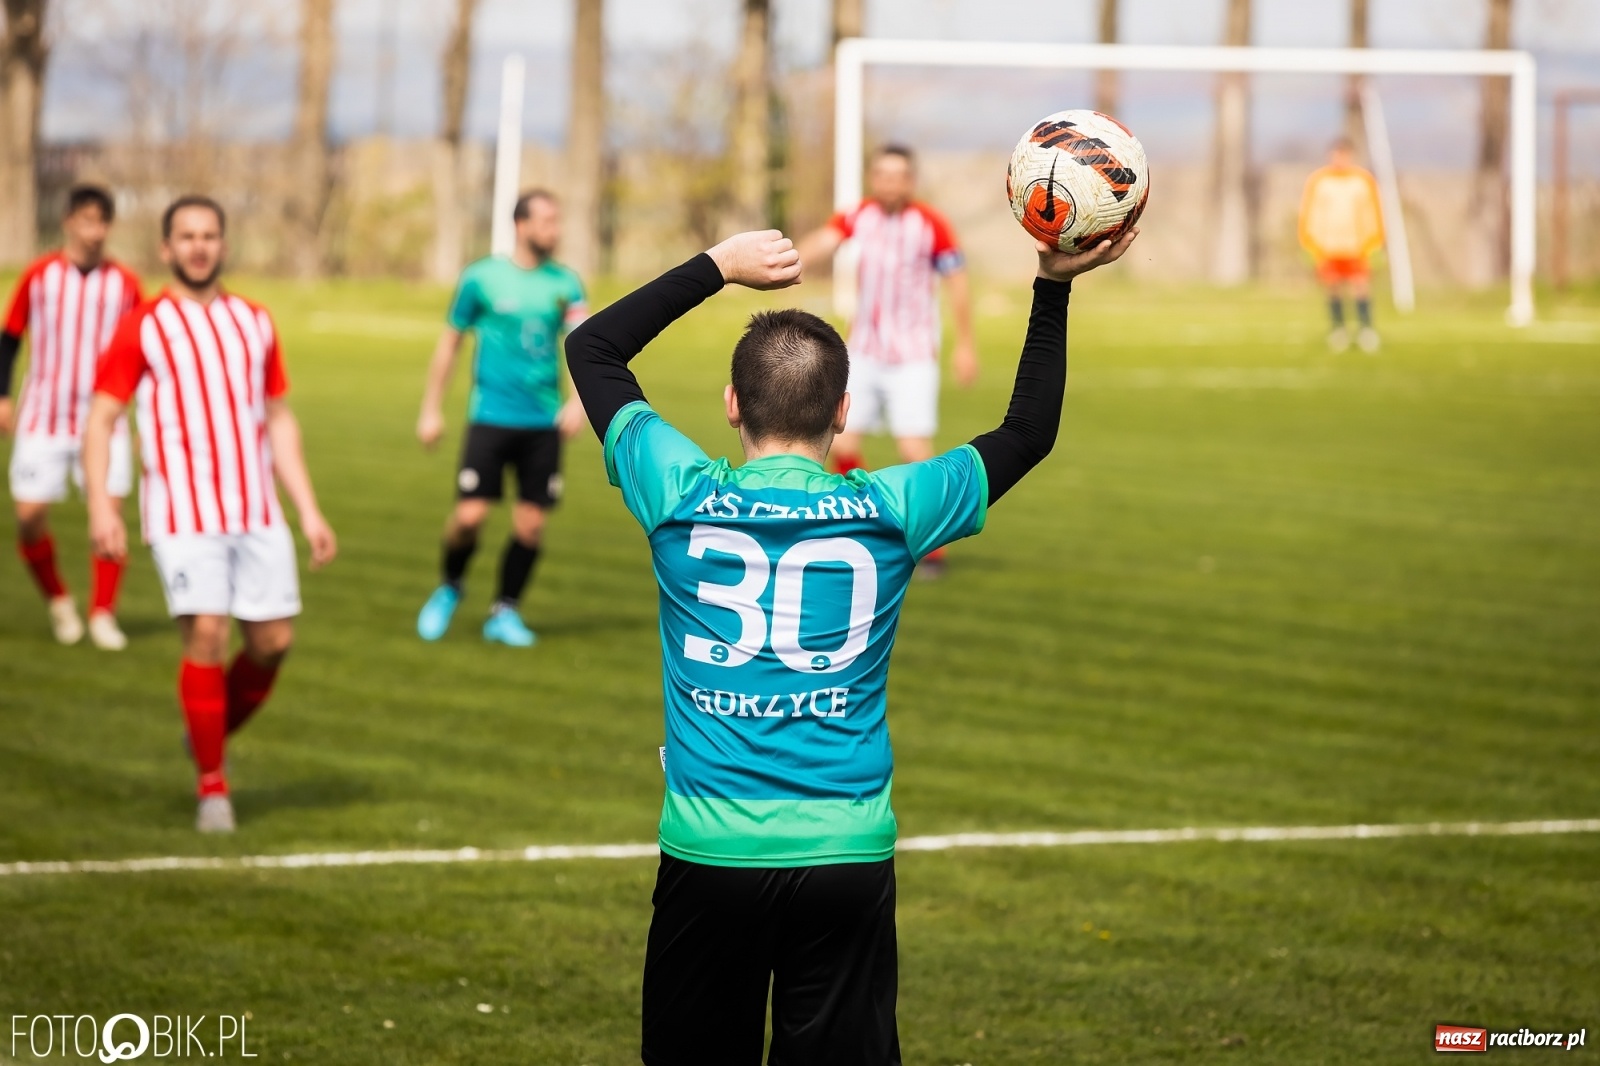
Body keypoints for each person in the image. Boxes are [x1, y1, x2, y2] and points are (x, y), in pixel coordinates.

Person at [565, 223, 1136, 1065]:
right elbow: (1027, 433)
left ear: (731, 404)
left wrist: (719, 269)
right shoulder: (892, 508)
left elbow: (594, 348)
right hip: (846, 854)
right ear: (842, 412)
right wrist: (1051, 285)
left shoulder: (677, 489)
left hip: (710, 852)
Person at [82, 195, 337, 833]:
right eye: (187, 236)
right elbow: (103, 416)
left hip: (256, 508)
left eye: (210, 235)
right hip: (182, 512)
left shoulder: (254, 320)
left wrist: (307, 509)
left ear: (223, 245)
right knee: (207, 635)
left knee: (273, 641)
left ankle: (205, 732)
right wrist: (100, 506)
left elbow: (277, 416)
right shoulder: (144, 323)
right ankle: (212, 787)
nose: (199, 246)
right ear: (166, 249)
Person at [414, 190, 589, 647]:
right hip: (490, 417)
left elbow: (581, 348)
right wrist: (431, 409)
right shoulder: (481, 279)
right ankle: (450, 585)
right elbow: (450, 342)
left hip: (542, 423)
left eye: (557, 220)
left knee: (531, 524)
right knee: (469, 517)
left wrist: (577, 402)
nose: (555, 229)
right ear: (521, 224)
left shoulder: (567, 284)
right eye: (546, 221)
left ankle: (504, 611)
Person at [798, 145, 978, 576]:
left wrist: (966, 344)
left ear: (910, 181)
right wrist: (781, 260)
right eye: (882, 174)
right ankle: (869, 521)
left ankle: (931, 550)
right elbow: (821, 243)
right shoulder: (859, 216)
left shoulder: (930, 225)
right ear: (872, 178)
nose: (890, 183)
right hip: (864, 351)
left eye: (899, 175)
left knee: (914, 449)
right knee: (841, 441)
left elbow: (957, 283)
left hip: (913, 355)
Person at [1, 184, 144, 649]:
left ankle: (103, 613)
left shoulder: (124, 283)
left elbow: (144, 349)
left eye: (101, 221)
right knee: (29, 516)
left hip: (105, 420)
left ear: (109, 226)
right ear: (68, 221)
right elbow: (10, 337)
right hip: (44, 415)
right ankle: (59, 601)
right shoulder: (40, 275)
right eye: (85, 219)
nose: (93, 230)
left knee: (109, 518)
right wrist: (2, 395)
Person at [1299, 137, 1385, 353]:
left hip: (1357, 246)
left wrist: (1375, 242)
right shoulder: (1319, 181)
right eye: (1336, 154)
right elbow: (1310, 214)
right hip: (1328, 247)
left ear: (1351, 156)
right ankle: (1338, 330)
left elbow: (1373, 212)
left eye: (1344, 155)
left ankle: (1366, 329)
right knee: (1333, 288)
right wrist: (1310, 243)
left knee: (1361, 287)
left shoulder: (1363, 181)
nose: (1340, 159)